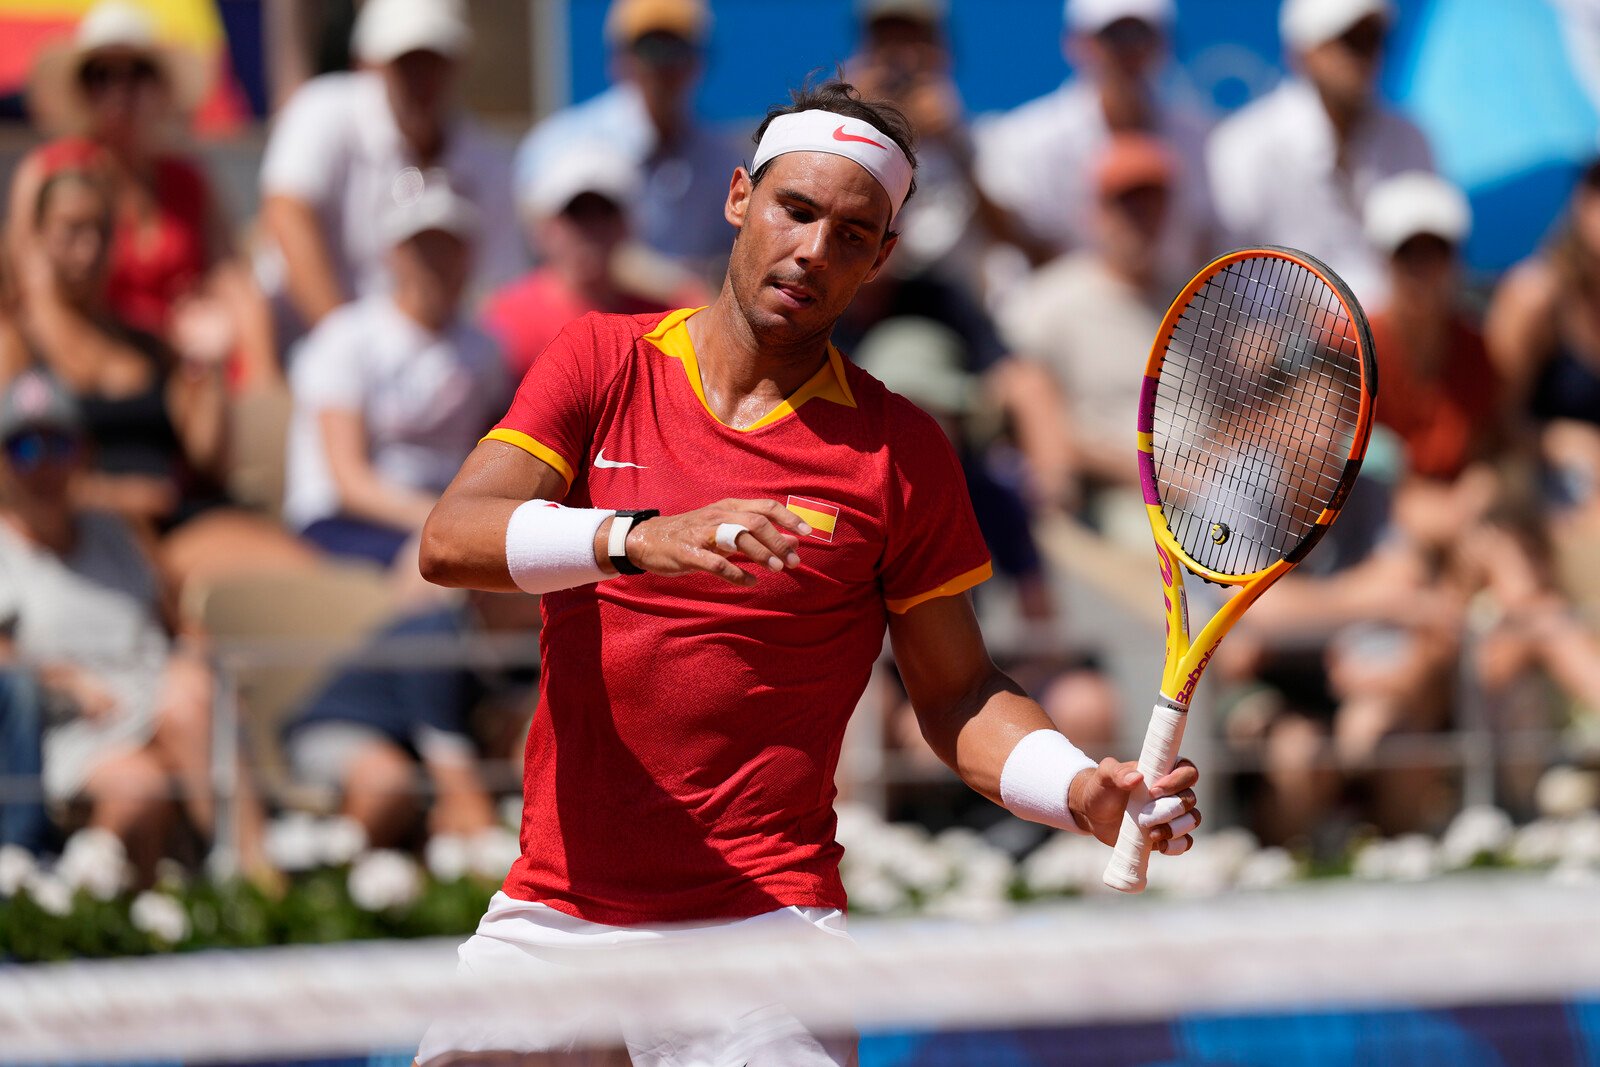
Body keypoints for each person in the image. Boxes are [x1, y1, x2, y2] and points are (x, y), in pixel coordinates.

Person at [413, 80, 1203, 1065]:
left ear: (880, 259)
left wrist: (1079, 786)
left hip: (764, 931)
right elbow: (451, 538)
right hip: (554, 916)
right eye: (796, 209)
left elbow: (957, 692)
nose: (814, 251)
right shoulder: (601, 359)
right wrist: (633, 537)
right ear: (741, 196)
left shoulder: (901, 450)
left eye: (852, 233)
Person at [0, 370, 270, 882]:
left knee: (192, 692)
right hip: (77, 728)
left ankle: (252, 878)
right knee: (139, 784)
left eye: (58, 444)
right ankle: (145, 917)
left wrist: (206, 668)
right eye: (25, 448)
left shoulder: (118, 531)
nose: (45, 465)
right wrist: (67, 681)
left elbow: (181, 626)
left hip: (163, 706)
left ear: (83, 453)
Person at [259, 0, 521, 337]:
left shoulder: (490, 163)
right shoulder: (320, 111)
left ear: (457, 64)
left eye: (432, 60)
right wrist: (346, 347)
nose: (420, 78)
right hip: (308, 348)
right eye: (405, 62)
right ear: (370, 64)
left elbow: (496, 291)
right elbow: (287, 215)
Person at [284, 178, 507, 569]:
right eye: (423, 248)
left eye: (447, 248)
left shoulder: (484, 350)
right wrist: (447, 521)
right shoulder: (346, 338)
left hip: (436, 520)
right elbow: (348, 481)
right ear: (395, 255)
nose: (436, 262)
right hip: (343, 525)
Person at [998, 133, 1188, 545]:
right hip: (1119, 504)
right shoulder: (1047, 300)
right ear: (1096, 212)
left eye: (1151, 203)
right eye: (1125, 203)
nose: (1140, 217)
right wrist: (1156, 477)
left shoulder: (1195, 298)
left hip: (1217, 493)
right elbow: (1017, 396)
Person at [1207, 0, 1433, 305]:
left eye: (1374, 38)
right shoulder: (1242, 146)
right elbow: (1221, 282)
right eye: (1349, 40)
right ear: (1303, 51)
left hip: (1391, 344)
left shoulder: (1412, 138)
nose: (1365, 56)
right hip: (1282, 349)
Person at [283, 588, 538, 850]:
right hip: (335, 730)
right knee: (387, 781)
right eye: (523, 588)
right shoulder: (435, 641)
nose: (540, 592)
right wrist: (492, 846)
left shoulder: (526, 646)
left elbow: (504, 749)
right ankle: (334, 873)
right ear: (480, 595)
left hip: (415, 753)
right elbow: (454, 774)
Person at [974, 0, 1215, 271]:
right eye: (1114, 35)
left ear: (1164, 43)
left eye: (1142, 34)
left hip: (1168, 305)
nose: (1130, 49)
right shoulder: (1025, 139)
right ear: (1076, 44)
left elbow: (1202, 246)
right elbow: (1019, 248)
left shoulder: (1200, 138)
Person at [514, 0, 739, 281]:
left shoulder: (722, 160)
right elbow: (534, 259)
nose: (663, 65)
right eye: (650, 48)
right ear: (620, 60)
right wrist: (666, 284)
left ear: (698, 61)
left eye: (677, 49)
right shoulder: (557, 146)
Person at [845, 0, 1056, 282]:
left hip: (960, 307)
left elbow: (1029, 249)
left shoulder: (989, 140)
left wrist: (955, 144)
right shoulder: (835, 132)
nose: (899, 59)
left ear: (942, 52)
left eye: (913, 43)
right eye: (885, 43)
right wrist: (852, 117)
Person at [483, 142, 707, 381]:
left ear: (625, 226)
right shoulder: (506, 321)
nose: (591, 229)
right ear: (545, 227)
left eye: (604, 212)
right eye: (576, 212)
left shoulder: (660, 322)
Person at [1364, 172, 1504, 483]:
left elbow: (1492, 446)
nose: (1422, 269)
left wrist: (1484, 486)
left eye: (1436, 252)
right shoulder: (1350, 346)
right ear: (1385, 260)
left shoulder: (1476, 347)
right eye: (1407, 254)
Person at [1486, 158, 1600, 434]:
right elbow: (1491, 423)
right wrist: (1560, 440)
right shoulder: (1534, 297)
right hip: (1542, 471)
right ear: (1582, 202)